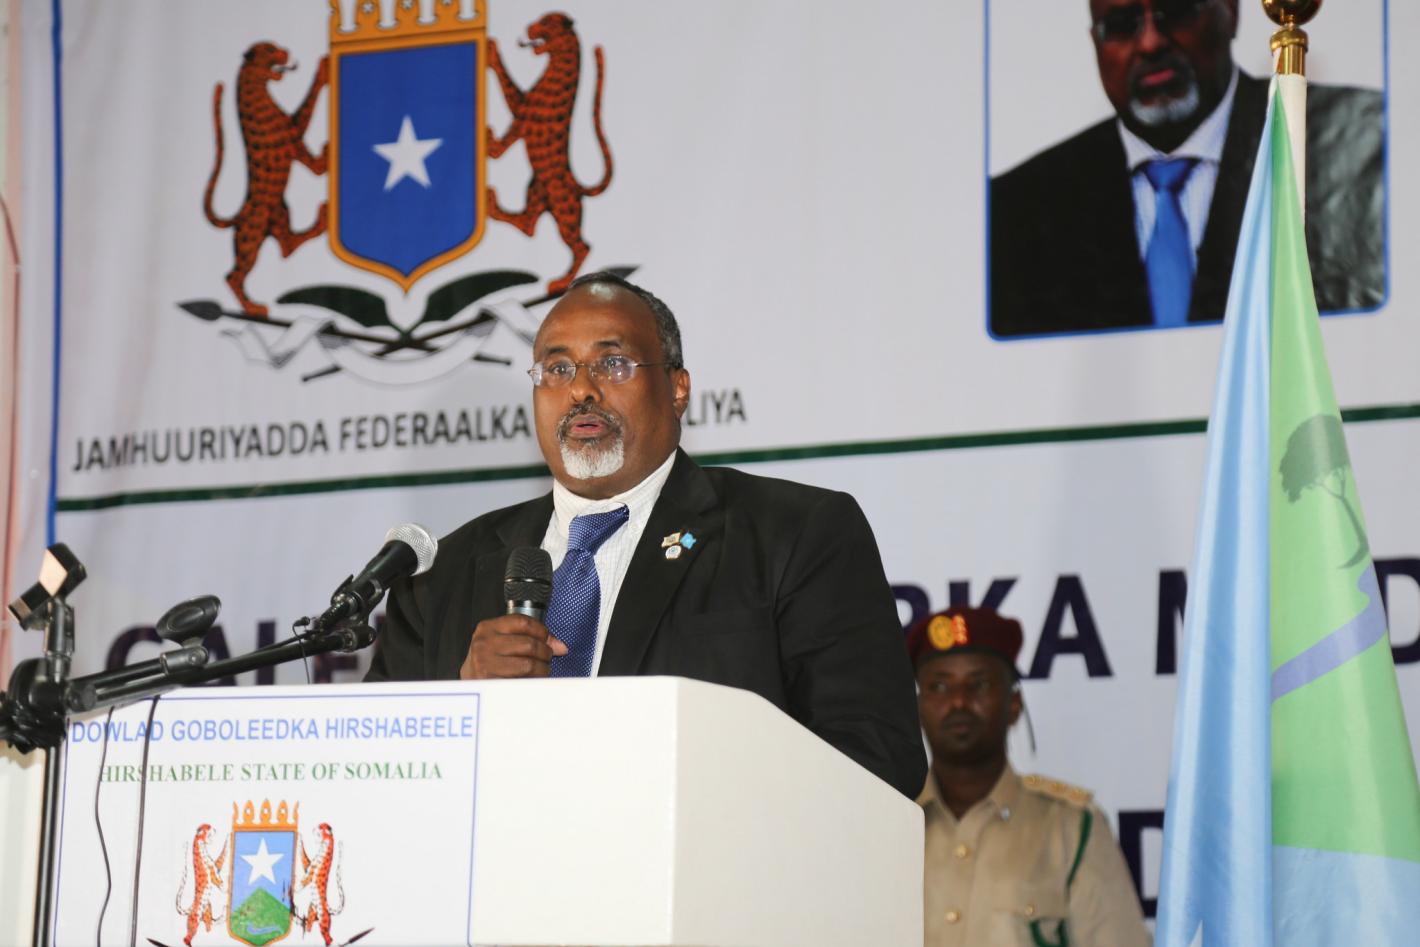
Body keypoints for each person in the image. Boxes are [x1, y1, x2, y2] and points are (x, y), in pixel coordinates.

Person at [365, 271, 927, 798]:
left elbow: (876, 757)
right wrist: (463, 705)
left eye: (613, 364)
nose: (581, 390)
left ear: (678, 389)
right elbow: (377, 780)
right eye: (556, 369)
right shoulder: (441, 576)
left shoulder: (795, 533)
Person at [990, 0, 1384, 337]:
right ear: (1095, 42)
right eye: (1122, 25)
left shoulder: (1361, 141)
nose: (1150, 43)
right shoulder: (1017, 210)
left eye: (1176, 11)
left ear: (1230, 12)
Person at [909, 607, 1150, 945]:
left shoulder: (1071, 828)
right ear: (918, 707)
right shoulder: (890, 824)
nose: (958, 701)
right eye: (939, 686)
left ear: (1014, 704)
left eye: (978, 684)